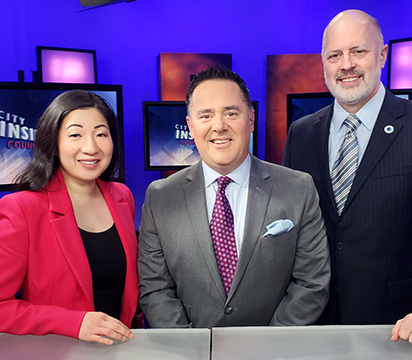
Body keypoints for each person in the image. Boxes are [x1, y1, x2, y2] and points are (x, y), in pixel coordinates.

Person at [283, 10, 412, 347]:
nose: (346, 64)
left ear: (382, 55)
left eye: (358, 52)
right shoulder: (302, 133)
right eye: (334, 55)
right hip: (312, 324)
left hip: (398, 328)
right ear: (323, 63)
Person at [138, 65, 330, 328]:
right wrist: (193, 350)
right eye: (206, 116)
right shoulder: (160, 197)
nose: (219, 126)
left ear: (250, 120)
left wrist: (268, 347)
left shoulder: (298, 188)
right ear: (190, 127)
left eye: (231, 113)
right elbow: (155, 289)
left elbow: (312, 282)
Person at [0, 90, 139, 345]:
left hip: (122, 347)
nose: (90, 147)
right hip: (60, 349)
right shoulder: (21, 208)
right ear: (54, 144)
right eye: (75, 135)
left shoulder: (122, 197)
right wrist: (73, 322)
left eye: (101, 134)